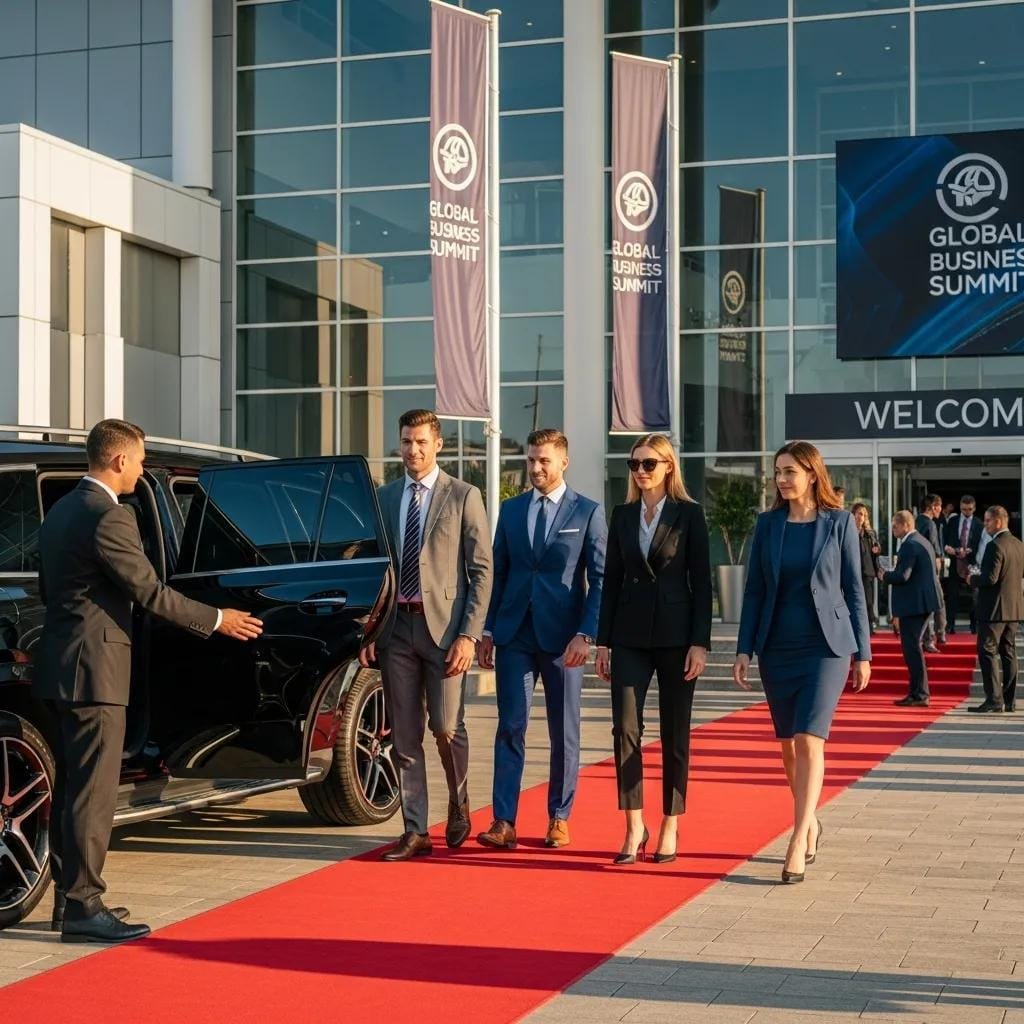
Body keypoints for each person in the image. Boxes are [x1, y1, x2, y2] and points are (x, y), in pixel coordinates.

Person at [33, 419, 263, 944]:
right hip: (96, 672)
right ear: (118, 461)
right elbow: (150, 592)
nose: (140, 471)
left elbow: (53, 589)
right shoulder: (110, 517)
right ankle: (84, 907)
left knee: (71, 788)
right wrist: (216, 619)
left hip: (60, 666)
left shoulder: (61, 511)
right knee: (92, 796)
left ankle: (69, 900)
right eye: (138, 461)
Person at [732, 441, 870, 884]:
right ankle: (810, 820)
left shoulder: (840, 523)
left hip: (826, 648)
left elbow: (854, 589)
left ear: (812, 473)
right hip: (777, 647)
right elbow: (754, 590)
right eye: (777, 472)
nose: (782, 479)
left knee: (811, 739)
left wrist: (863, 652)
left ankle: (795, 837)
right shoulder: (768, 525)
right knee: (789, 747)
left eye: (790, 471)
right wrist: (743, 648)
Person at [361, 409, 493, 862]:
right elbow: (376, 569)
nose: (412, 451)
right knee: (404, 736)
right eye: (405, 442)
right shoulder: (385, 497)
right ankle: (415, 829)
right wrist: (370, 630)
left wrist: (469, 636)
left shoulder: (463, 495)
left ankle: (459, 800)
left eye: (420, 442)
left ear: (437, 444)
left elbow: (481, 571)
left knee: (445, 725)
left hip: (446, 632)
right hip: (398, 630)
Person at [476, 429, 606, 850]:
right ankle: (503, 821)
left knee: (563, 731)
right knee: (510, 727)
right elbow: (498, 573)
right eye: (531, 460)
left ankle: (559, 816)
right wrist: (489, 629)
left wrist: (586, 634)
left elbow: (601, 581)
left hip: (564, 641)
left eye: (544, 460)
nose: (535, 468)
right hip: (515, 636)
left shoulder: (587, 512)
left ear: (563, 462)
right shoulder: (512, 512)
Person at [595, 434, 711, 866]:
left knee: (674, 733)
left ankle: (670, 822)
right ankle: (632, 825)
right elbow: (610, 582)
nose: (640, 471)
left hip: (678, 638)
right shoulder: (622, 515)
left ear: (667, 466)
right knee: (625, 730)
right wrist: (602, 641)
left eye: (648, 463)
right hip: (627, 636)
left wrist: (700, 642)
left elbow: (702, 583)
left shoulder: (689, 514)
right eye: (634, 464)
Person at [880, 511, 943, 708]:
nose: (893, 530)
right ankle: (917, 692)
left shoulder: (909, 544)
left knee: (912, 649)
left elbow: (903, 576)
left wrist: (885, 575)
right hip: (922, 603)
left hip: (915, 605)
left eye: (895, 526)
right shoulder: (921, 541)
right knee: (913, 648)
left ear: (905, 525)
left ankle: (920, 693)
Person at [970, 505, 1024, 714]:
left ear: (999, 522)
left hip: (993, 610)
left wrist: (972, 578)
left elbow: (989, 579)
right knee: (1008, 653)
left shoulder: (995, 545)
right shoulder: (1019, 544)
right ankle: (1009, 701)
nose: (985, 525)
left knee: (988, 651)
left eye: (987, 521)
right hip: (1014, 608)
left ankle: (994, 699)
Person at [943, 495, 983, 634]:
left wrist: (971, 550)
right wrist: (951, 549)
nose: (967, 512)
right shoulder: (953, 521)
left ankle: (974, 625)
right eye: (964, 509)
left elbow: (981, 544)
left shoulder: (979, 524)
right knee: (952, 595)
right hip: (955, 562)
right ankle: (950, 625)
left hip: (972, 563)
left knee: (974, 596)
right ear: (960, 507)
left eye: (970, 509)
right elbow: (946, 539)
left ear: (974, 508)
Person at [916, 493, 946, 651]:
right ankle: (939, 634)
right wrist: (938, 564)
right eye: (939, 506)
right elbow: (934, 548)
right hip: (929, 570)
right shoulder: (930, 524)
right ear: (932, 507)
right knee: (938, 602)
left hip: (917, 571)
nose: (940, 510)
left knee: (925, 605)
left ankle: (927, 638)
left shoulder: (915, 522)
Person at [851, 502, 880, 632]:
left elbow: (877, 550)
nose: (861, 517)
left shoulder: (870, 533)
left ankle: (870, 623)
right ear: (853, 514)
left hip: (867, 570)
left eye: (864, 515)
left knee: (868, 600)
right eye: (859, 514)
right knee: (855, 599)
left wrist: (877, 550)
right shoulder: (849, 531)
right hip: (853, 570)